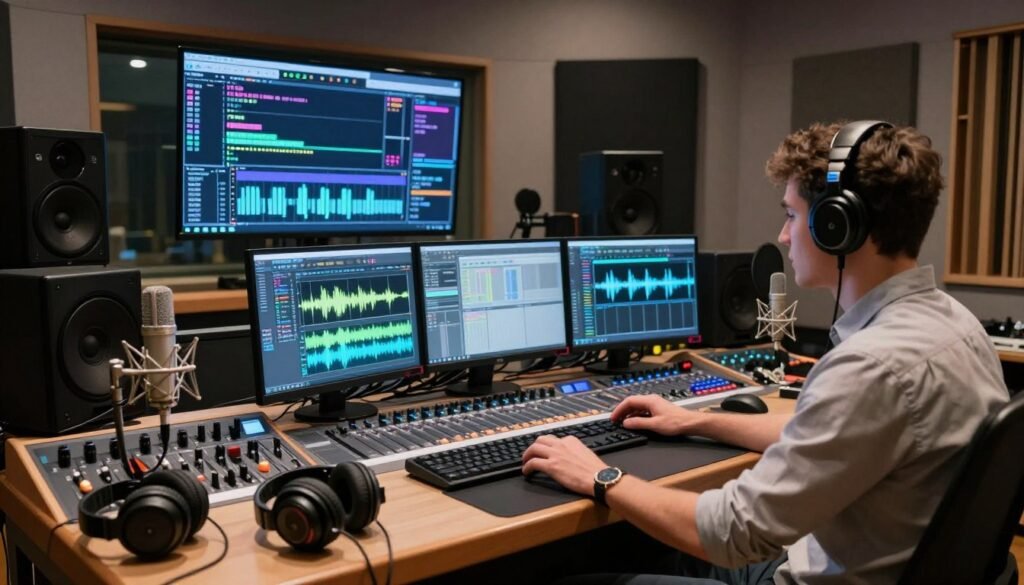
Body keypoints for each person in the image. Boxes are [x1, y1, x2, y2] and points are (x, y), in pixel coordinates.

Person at [522, 121, 1010, 584]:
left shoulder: (871, 366)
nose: (782, 235)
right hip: (870, 564)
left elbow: (734, 534)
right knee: (640, 548)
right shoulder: (955, 325)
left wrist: (601, 475)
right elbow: (823, 435)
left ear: (836, 226)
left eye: (792, 215)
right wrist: (695, 421)